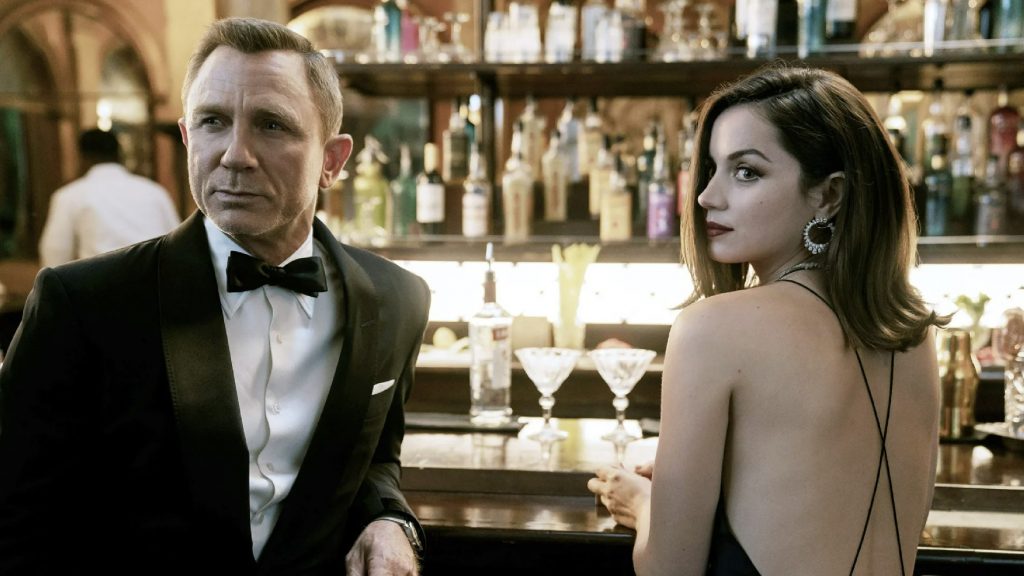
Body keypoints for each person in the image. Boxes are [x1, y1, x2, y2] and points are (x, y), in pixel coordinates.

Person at [0, 17, 429, 575]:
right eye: (213, 122)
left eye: (271, 125)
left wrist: (389, 519)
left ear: (332, 161)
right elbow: (18, 515)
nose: (234, 154)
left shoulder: (397, 300)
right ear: (187, 138)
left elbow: (374, 459)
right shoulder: (82, 303)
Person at [587, 66, 947, 575]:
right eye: (711, 168)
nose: (707, 196)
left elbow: (668, 569)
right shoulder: (913, 333)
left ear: (829, 195)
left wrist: (646, 505)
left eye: (746, 172)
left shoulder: (712, 329)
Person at [38, 128, 180, 267]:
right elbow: (178, 242)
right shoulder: (154, 191)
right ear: (119, 154)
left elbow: (55, 253)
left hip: (101, 279)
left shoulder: (70, 196)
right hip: (154, 278)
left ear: (81, 157)